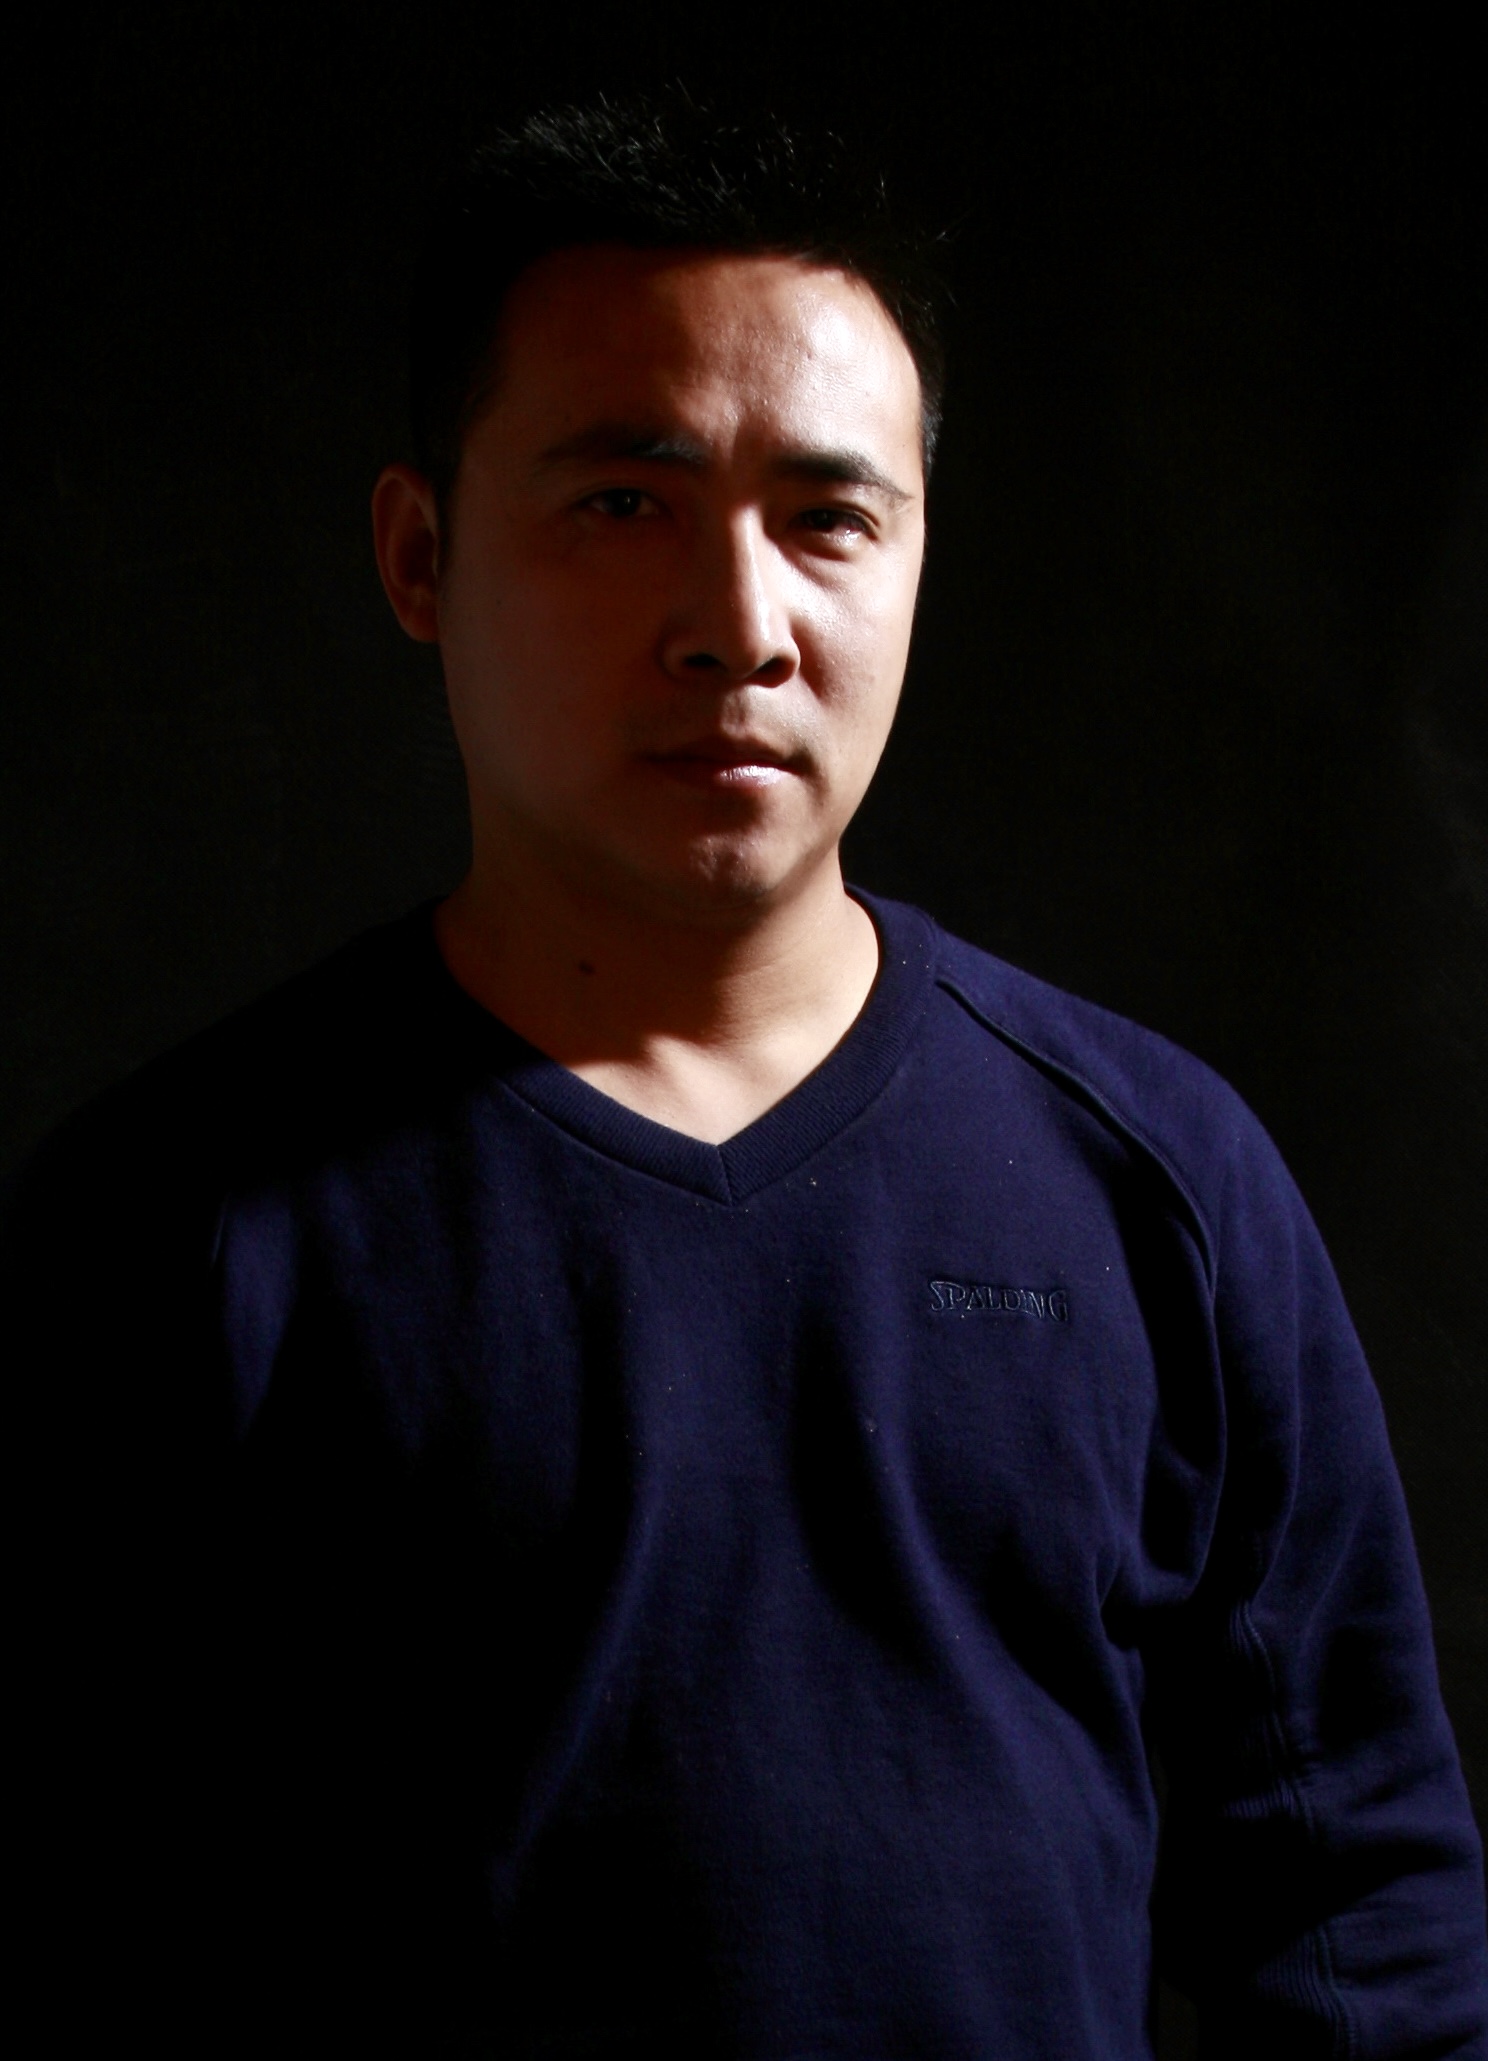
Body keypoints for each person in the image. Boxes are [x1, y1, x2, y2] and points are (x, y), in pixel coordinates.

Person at [9, 96, 1486, 2059]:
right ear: (421, 552)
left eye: (826, 516)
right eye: (626, 503)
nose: (740, 626)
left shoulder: (1161, 1184)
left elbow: (1364, 1926)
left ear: (918, 554)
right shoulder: (174, 1227)